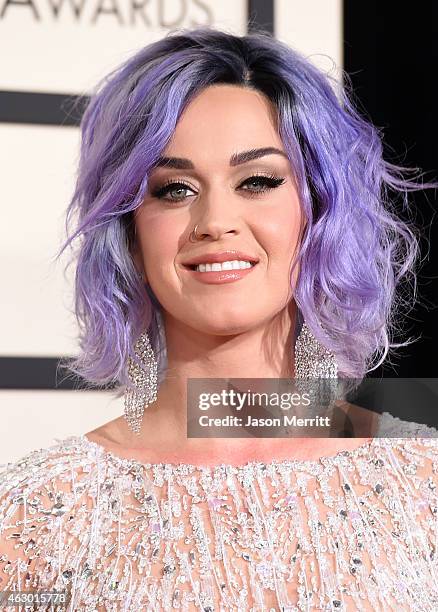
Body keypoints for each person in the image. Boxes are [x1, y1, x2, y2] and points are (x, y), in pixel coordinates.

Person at [1, 26, 437, 611]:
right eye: (174, 189)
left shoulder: (425, 488)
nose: (215, 220)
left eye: (257, 181)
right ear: (128, 234)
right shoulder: (34, 516)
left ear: (322, 212)